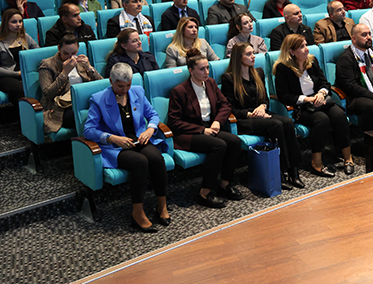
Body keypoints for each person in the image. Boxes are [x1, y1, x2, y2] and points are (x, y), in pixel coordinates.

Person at [84, 63, 170, 232]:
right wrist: (112, 138)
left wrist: (150, 129)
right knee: (140, 162)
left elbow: (152, 115)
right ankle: (137, 213)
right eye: (120, 86)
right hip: (117, 147)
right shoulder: (99, 99)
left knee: (156, 159)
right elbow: (88, 130)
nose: (125, 89)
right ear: (111, 81)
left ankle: (162, 206)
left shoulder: (137, 91)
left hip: (139, 139)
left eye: (128, 85)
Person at [221, 43, 304, 189]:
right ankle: (281, 171)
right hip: (244, 119)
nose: (253, 56)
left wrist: (262, 106)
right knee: (276, 125)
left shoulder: (257, 72)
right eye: (248, 54)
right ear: (238, 57)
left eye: (253, 53)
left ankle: (294, 170)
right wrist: (250, 114)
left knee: (288, 122)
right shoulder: (229, 78)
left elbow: (265, 98)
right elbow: (230, 107)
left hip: (262, 112)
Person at [168, 50, 244, 208]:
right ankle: (204, 192)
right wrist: (202, 130)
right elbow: (174, 122)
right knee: (219, 145)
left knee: (235, 141)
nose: (206, 72)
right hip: (190, 133)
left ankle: (224, 184)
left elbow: (225, 104)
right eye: (202, 69)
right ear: (191, 70)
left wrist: (217, 121)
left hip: (211, 127)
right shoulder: (180, 91)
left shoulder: (210, 83)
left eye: (207, 68)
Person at [275, 34, 354, 177]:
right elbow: (284, 95)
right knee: (322, 120)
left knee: (339, 115)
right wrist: (306, 99)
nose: (306, 49)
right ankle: (316, 163)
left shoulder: (312, 61)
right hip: (302, 107)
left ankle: (348, 158)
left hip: (321, 101)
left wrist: (321, 94)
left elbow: (325, 83)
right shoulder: (283, 68)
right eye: (301, 47)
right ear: (291, 51)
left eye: (306, 45)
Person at [39, 34, 101, 135]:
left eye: (74, 53)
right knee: (89, 118)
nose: (71, 57)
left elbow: (101, 84)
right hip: (61, 108)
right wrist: (64, 73)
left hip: (85, 101)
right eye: (65, 53)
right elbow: (48, 94)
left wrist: (90, 68)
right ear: (59, 48)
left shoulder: (81, 61)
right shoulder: (47, 65)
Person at [0, 9, 39, 103]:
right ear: (5, 23)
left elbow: (37, 52)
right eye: (14, 22)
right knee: (18, 89)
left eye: (20, 21)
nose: (18, 24)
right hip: (5, 76)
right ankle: (24, 114)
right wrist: (17, 74)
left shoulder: (25, 37)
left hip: (25, 72)